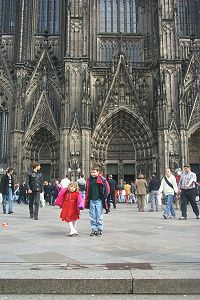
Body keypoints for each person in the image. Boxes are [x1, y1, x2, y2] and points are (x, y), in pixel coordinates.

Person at [85, 165, 109, 236]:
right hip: (91, 200)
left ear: (98, 172)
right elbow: (87, 189)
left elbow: (107, 188)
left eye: (94, 172)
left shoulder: (102, 179)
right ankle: (94, 229)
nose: (92, 173)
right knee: (92, 215)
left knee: (99, 215)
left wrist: (105, 197)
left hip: (99, 200)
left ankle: (99, 229)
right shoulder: (89, 180)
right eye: (91, 172)